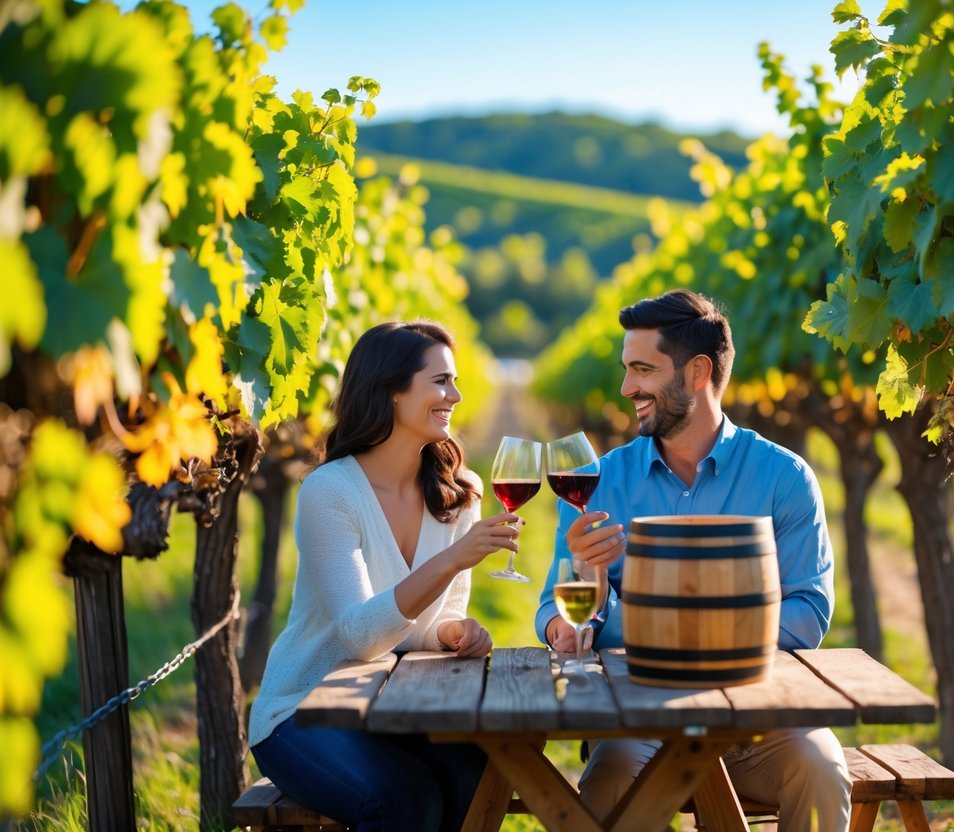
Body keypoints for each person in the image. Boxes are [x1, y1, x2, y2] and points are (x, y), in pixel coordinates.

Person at [533, 289, 851, 831]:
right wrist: (577, 611)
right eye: (626, 369)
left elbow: (809, 613)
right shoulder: (596, 483)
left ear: (698, 372)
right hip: (637, 720)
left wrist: (676, 631)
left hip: (760, 716)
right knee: (611, 777)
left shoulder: (784, 477)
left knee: (821, 769)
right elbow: (553, 611)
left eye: (642, 370)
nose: (626, 387)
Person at [249, 321, 520, 832]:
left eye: (455, 381)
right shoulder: (329, 492)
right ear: (392, 391)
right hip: (303, 709)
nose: (455, 396)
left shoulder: (460, 492)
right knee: (404, 800)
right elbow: (362, 635)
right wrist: (453, 559)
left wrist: (453, 632)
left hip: (394, 704)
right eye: (440, 381)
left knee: (477, 771)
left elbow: (428, 624)